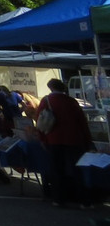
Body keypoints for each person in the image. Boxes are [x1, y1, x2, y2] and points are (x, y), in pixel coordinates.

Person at [36, 78, 94, 208]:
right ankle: (84, 200)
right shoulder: (71, 101)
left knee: (57, 170)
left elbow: (40, 121)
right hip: (74, 139)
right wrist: (87, 140)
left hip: (53, 139)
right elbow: (82, 122)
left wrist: (42, 139)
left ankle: (58, 199)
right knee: (77, 170)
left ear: (50, 88)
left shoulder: (46, 101)